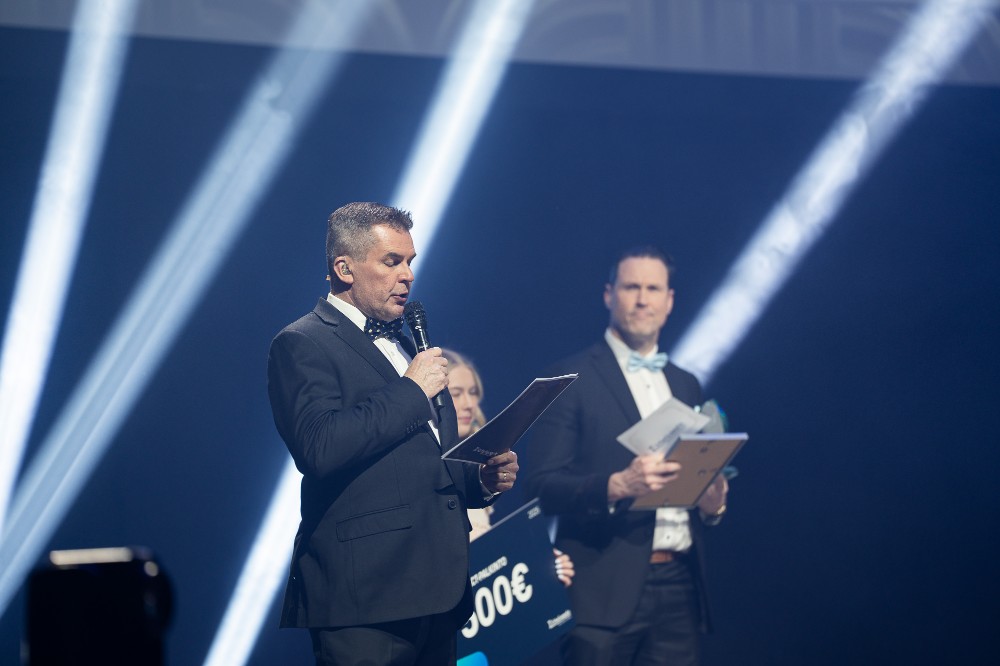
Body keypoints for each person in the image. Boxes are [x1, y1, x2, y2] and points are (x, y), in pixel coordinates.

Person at [267, 202, 519, 666]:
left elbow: (422, 461)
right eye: (392, 261)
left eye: (410, 262)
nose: (408, 275)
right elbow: (320, 447)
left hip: (437, 592)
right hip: (367, 598)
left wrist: (479, 480)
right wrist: (411, 390)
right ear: (344, 268)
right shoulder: (302, 343)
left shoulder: (404, 344)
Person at [524, 246, 729, 666]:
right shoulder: (570, 378)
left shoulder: (686, 383)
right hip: (600, 589)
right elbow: (540, 487)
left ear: (669, 300)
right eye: (631, 287)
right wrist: (616, 486)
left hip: (679, 584)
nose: (642, 300)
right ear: (609, 294)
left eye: (653, 289)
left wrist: (712, 504)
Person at [442, 348, 574, 587]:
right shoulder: (428, 464)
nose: (469, 404)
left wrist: (539, 560)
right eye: (456, 393)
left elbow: (489, 550)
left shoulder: (483, 462)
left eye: (473, 393)